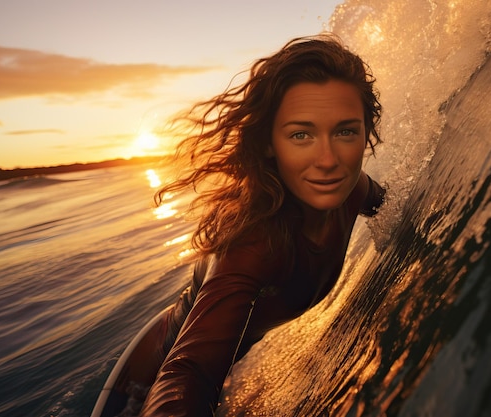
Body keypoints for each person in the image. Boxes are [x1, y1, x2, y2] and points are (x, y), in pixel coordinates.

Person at [140, 34, 386, 416]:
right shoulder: (257, 243)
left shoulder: (357, 190)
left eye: (345, 131)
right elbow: (187, 373)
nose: (327, 160)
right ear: (269, 142)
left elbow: (394, 210)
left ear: (365, 131)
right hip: (156, 364)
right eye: (300, 134)